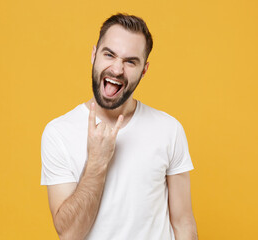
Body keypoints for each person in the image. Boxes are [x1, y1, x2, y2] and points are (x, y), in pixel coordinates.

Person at [41, 13, 198, 240]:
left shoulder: (169, 130)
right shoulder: (58, 133)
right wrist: (97, 161)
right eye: (109, 55)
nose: (116, 69)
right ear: (94, 55)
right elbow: (69, 234)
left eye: (130, 61)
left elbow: (183, 223)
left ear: (144, 70)